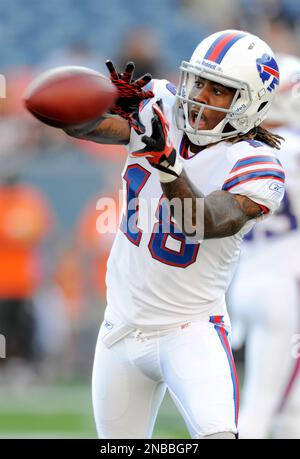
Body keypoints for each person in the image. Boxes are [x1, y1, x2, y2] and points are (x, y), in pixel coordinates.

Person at [63, 29, 285, 439]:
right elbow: (80, 125)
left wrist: (168, 167)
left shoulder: (258, 165)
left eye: (219, 91)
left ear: (249, 103)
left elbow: (202, 222)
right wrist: (95, 100)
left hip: (190, 330)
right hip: (120, 328)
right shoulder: (160, 104)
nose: (200, 96)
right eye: (198, 81)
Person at [229, 54, 300, 439]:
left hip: (247, 282)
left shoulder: (244, 149)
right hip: (285, 287)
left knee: (291, 408)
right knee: (260, 406)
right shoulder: (295, 149)